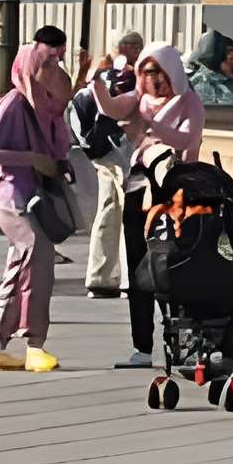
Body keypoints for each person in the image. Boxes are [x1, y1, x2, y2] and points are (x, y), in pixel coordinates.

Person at [90, 42, 204, 371]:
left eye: (157, 72)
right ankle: (142, 346)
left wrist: (150, 128)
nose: (152, 79)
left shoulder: (189, 102)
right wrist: (97, 80)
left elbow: (186, 139)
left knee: (177, 269)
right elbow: (111, 108)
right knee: (141, 270)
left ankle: (186, 347)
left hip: (177, 191)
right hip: (140, 190)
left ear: (172, 72)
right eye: (145, 71)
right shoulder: (139, 101)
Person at [0, 43, 75, 373]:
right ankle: (32, 344)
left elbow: (58, 145)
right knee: (34, 253)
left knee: (26, 262)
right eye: (45, 65)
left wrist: (58, 164)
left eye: (55, 64)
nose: (50, 72)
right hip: (13, 195)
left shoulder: (45, 108)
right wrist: (30, 159)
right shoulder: (16, 103)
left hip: (36, 195)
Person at [84, 33, 145, 296]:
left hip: (101, 151)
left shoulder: (104, 71)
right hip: (122, 149)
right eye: (137, 46)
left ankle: (100, 276)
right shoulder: (129, 75)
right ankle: (129, 278)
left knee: (107, 210)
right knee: (129, 212)